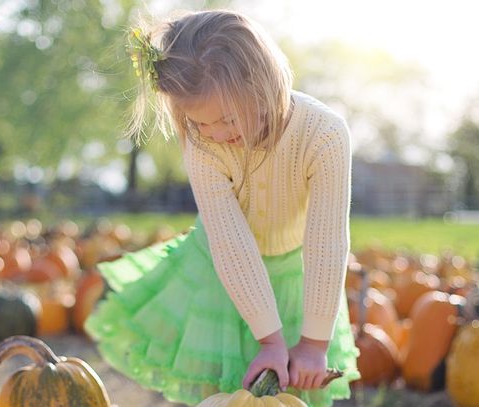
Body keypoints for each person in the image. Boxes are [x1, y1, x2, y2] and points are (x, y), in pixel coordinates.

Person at [85, 8, 360, 407]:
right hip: (222, 273)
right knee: (214, 392)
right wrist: (270, 340)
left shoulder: (325, 136)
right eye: (199, 123)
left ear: (262, 87)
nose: (214, 134)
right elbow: (230, 242)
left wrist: (313, 343)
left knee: (288, 395)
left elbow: (327, 244)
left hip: (296, 278)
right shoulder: (204, 144)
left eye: (227, 119)